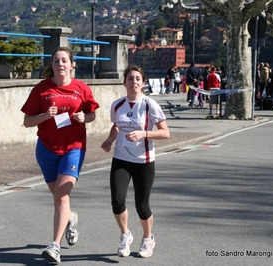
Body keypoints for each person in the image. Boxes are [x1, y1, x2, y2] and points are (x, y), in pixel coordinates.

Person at [21, 47, 100, 264]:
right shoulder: (42, 88)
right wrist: (45, 115)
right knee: (59, 198)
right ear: (52, 66)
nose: (61, 64)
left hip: (73, 147)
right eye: (56, 61)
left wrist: (85, 118)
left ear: (72, 64)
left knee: (61, 195)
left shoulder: (81, 88)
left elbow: (92, 113)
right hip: (46, 149)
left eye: (64, 60)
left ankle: (55, 246)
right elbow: (27, 121)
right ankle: (71, 218)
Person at [100, 65, 170, 259]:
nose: (134, 82)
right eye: (130, 79)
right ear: (125, 83)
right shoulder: (117, 105)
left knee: (142, 205)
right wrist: (109, 139)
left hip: (144, 161)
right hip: (121, 158)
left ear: (143, 83)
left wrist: (144, 133)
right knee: (117, 200)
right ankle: (125, 234)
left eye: (138, 79)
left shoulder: (150, 105)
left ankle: (148, 238)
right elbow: (116, 126)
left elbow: (165, 132)